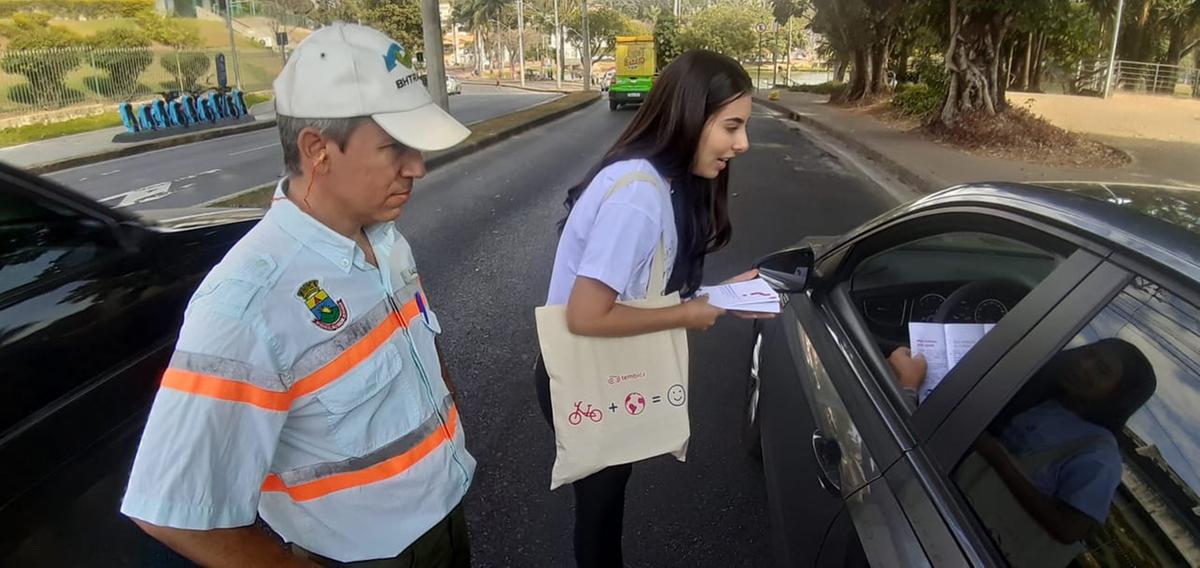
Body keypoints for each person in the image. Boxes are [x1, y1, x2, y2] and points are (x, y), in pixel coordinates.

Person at [120, 23, 475, 567]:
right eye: (393, 149)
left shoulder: (385, 239)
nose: (417, 167)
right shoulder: (246, 303)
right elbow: (170, 509)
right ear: (317, 149)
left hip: (447, 520)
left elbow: (420, 353)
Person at [534, 49, 761, 567]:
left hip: (597, 370)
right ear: (689, 115)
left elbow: (643, 285)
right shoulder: (639, 194)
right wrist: (687, 315)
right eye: (732, 126)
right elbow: (585, 315)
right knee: (599, 511)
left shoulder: (660, 182)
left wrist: (720, 297)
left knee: (606, 498)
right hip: (579, 373)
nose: (742, 143)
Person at [892, 339, 1156, 564]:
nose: (1084, 365)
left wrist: (998, 459)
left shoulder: (1100, 456)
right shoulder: (1051, 402)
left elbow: (1069, 529)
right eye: (1090, 353)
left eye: (1102, 370)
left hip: (982, 550)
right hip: (944, 519)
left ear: (1119, 396)